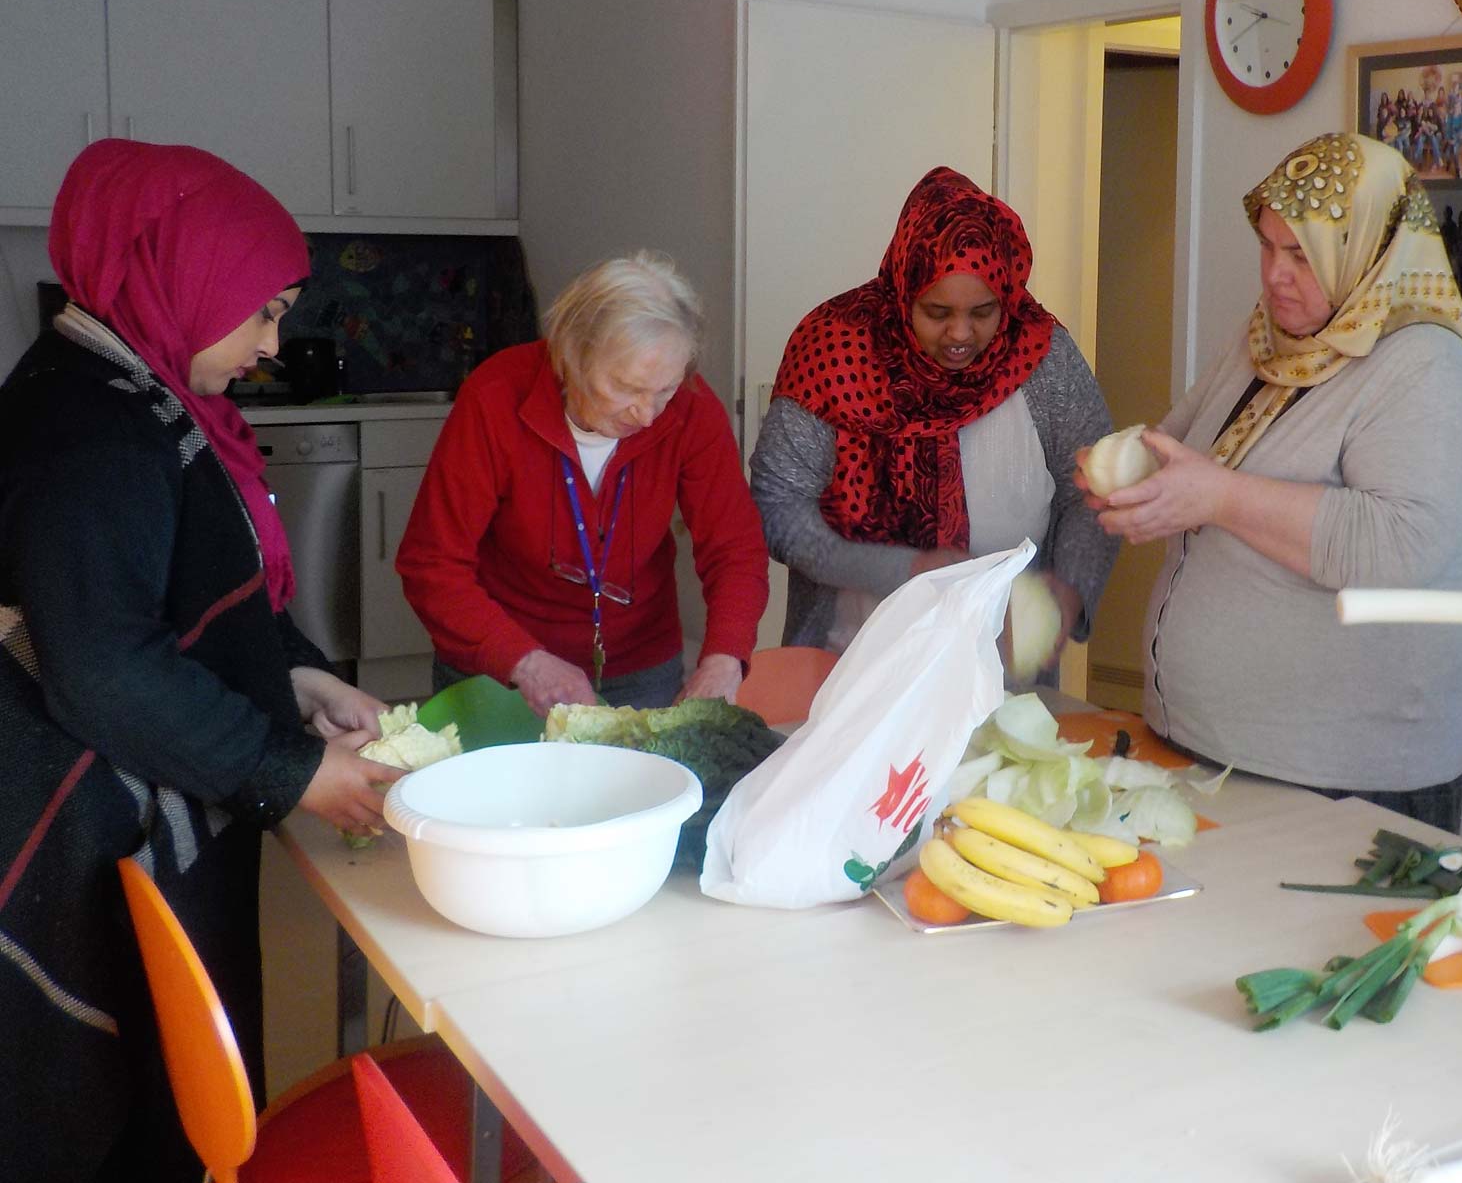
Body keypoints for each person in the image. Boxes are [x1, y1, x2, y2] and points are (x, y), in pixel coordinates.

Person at [0, 140, 400, 1180]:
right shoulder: (92, 432)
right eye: (262, 309)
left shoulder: (134, 392)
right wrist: (291, 771)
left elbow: (191, 596)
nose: (274, 342)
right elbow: (106, 668)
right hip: (82, 824)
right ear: (180, 278)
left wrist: (294, 673)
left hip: (133, 799)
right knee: (116, 1102)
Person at [1092, 134, 1462, 832]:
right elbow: (1179, 448)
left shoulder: (1424, 362)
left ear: (1365, 247)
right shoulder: (1265, 341)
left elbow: (1405, 545)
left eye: (1301, 254)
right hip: (1213, 747)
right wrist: (1126, 477)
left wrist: (1218, 497)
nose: (1275, 274)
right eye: (1269, 247)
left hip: (1342, 776)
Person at [751, 167, 1116, 671]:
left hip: (999, 665)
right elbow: (779, 507)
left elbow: (1092, 490)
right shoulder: (834, 351)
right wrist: (908, 569)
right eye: (936, 312)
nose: (959, 334)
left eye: (984, 312)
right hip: (848, 663)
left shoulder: (1042, 355)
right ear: (904, 291)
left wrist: (1070, 590)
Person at [397, 253, 767, 714]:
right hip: (501, 670)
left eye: (665, 389)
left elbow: (735, 548)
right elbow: (431, 563)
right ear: (572, 354)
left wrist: (724, 659)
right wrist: (526, 663)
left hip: (639, 669)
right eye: (626, 388)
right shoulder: (495, 398)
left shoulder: (692, 409)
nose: (648, 414)